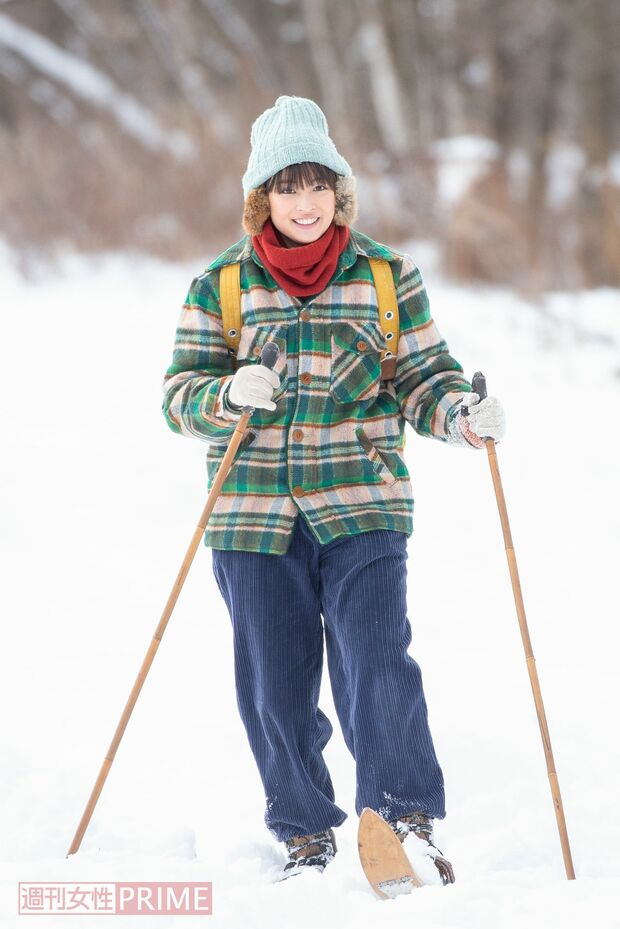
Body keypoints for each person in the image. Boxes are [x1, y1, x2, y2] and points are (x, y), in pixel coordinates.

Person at [162, 95, 506, 884]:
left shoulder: (387, 277)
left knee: (379, 661)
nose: (307, 202)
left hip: (363, 501)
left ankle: (405, 819)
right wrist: (223, 396)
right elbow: (178, 394)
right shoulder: (219, 286)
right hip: (252, 515)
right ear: (263, 198)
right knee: (274, 681)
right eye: (289, 187)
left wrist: (463, 414)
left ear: (340, 191)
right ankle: (305, 831)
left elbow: (425, 378)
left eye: (320, 185)